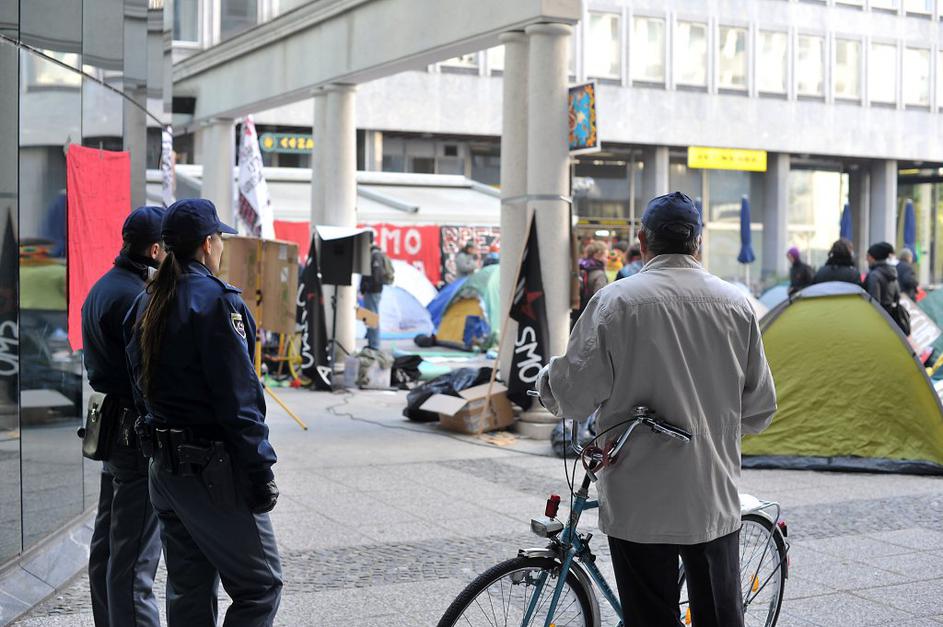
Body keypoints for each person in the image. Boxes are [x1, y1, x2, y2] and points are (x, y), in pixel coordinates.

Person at [538, 191, 776, 627]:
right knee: (720, 615)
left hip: (638, 496)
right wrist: (712, 423)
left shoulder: (615, 302)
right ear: (697, 242)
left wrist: (544, 384)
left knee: (649, 615)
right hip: (711, 490)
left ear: (643, 241)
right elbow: (760, 407)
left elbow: (572, 396)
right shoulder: (736, 303)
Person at [123, 199, 282, 626]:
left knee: (189, 591)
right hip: (211, 472)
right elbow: (239, 400)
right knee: (261, 587)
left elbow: (138, 385)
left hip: (165, 470)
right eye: (220, 239)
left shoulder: (146, 301)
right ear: (208, 244)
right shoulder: (215, 302)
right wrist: (259, 470)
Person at [83, 206, 166, 627]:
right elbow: (144, 376)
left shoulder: (103, 286)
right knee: (134, 558)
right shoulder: (137, 296)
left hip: (109, 428)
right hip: (132, 432)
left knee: (108, 546)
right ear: (155, 250)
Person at [360, 237, 391, 350]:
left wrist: (367, 287)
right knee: (369, 317)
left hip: (373, 291)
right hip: (371, 290)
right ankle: (372, 342)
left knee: (372, 317)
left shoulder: (375, 255)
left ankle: (374, 345)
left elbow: (377, 276)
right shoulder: (372, 254)